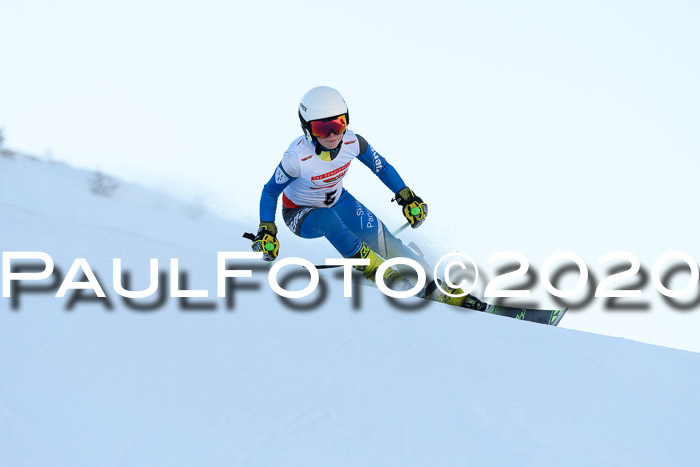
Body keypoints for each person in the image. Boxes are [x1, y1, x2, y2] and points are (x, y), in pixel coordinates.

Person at [250, 86, 429, 286]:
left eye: (339, 123)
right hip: (299, 213)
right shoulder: (296, 159)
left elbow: (383, 168)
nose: (333, 135)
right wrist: (267, 229)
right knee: (328, 220)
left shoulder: (353, 142)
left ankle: (429, 278)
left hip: (338, 200)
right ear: (308, 130)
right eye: (322, 129)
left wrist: (407, 196)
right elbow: (270, 191)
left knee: (385, 240)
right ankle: (376, 270)